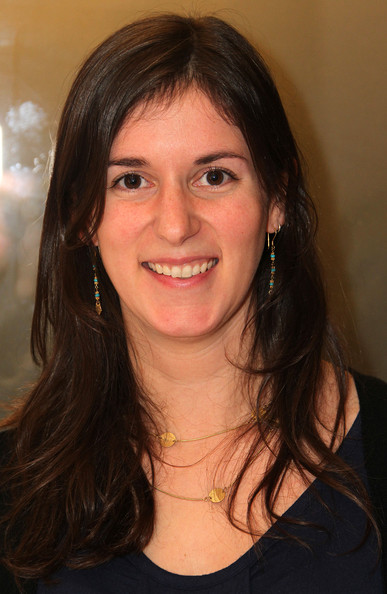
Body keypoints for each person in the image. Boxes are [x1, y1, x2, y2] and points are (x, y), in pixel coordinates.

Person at [0, 13, 386, 594]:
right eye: (131, 180)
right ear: (83, 217)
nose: (176, 224)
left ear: (276, 199)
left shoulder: (375, 441)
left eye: (214, 175)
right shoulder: (14, 481)